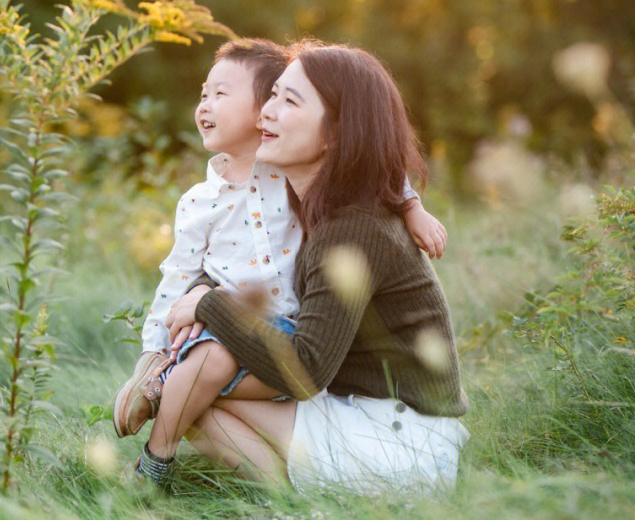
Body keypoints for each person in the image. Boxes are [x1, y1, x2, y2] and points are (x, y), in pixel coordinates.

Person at [112, 39, 449, 480]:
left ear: (336, 133)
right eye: (272, 94)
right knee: (194, 391)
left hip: (399, 439)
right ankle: (290, 507)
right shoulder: (327, 204)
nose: (266, 112)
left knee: (196, 392)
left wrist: (207, 303)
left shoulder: (351, 229)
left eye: (288, 100)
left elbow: (306, 370)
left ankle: (153, 469)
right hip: (383, 425)